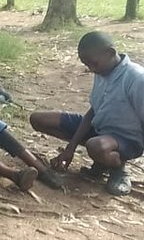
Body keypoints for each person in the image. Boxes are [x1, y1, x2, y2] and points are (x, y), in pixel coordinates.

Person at [30, 30, 144, 197]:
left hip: (127, 140)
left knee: (96, 146)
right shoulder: (102, 71)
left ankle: (118, 168)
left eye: (93, 64)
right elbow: (93, 112)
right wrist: (70, 149)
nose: (90, 69)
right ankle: (102, 159)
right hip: (99, 129)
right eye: (86, 64)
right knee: (38, 119)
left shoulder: (136, 78)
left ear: (111, 53)